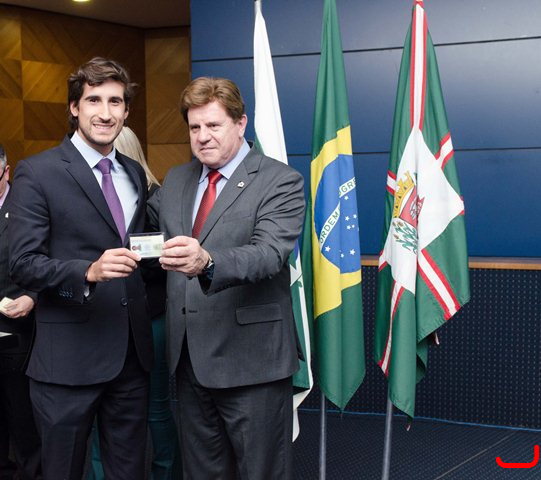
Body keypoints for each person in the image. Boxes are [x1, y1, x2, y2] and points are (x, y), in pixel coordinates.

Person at [147, 77, 305, 480]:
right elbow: (146, 237)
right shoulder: (177, 180)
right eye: (194, 127)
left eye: (214, 125)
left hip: (252, 363)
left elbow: (269, 254)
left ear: (240, 123)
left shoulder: (280, 180)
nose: (202, 136)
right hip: (189, 362)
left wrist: (207, 261)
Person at [8, 58, 153, 480]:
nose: (105, 113)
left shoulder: (133, 173)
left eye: (115, 102)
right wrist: (87, 271)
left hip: (130, 358)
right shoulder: (38, 172)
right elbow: (22, 264)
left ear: (126, 111)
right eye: (94, 100)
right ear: (74, 107)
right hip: (66, 363)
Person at [88, 126, 181, 480]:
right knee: (102, 410)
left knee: (156, 409)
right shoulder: (87, 197)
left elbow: (166, 265)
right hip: (102, 318)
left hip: (149, 317)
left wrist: (136, 261)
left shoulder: (155, 199)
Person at [0, 144, 42, 480]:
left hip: (17, 329)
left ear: (6, 171)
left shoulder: (26, 206)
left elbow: (49, 258)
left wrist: (33, 297)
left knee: (21, 413)